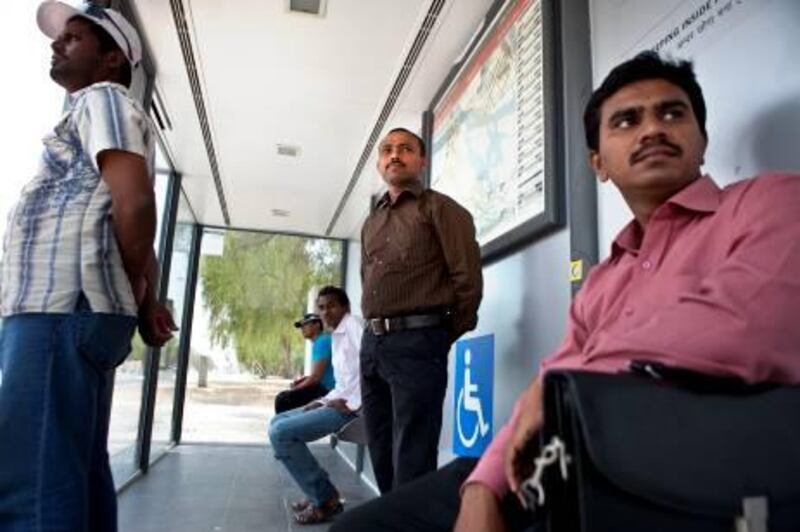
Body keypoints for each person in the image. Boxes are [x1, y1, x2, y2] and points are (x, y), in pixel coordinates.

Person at [331, 51, 800, 532]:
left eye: (672, 113)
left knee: (413, 450)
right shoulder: (604, 281)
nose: (652, 129)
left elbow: (744, 326)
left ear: (702, 142)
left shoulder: (770, 203)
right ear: (598, 162)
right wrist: (482, 487)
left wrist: (548, 380)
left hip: (681, 475)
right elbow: (550, 379)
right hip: (546, 450)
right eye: (626, 120)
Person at [0, 3, 177, 531]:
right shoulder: (103, 109)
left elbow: (136, 204)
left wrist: (124, 289)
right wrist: (141, 302)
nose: (58, 44)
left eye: (75, 38)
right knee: (72, 473)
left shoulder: (101, 99)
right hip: (73, 312)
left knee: (31, 483)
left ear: (112, 60)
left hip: (58, 311)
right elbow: (129, 210)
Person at [360, 127, 483, 493]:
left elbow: (467, 280)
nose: (394, 155)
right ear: (380, 162)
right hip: (373, 345)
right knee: (380, 447)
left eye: (405, 149)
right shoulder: (372, 221)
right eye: (387, 150)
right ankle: (393, 519)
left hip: (419, 341)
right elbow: (368, 280)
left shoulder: (440, 209)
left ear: (422, 160)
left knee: (412, 453)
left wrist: (440, 336)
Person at [268, 286, 364, 525]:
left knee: (281, 433)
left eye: (332, 306)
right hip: (338, 401)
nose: (326, 312)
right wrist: (320, 401)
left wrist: (354, 404)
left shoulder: (354, 327)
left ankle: (325, 499)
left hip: (354, 409)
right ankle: (319, 492)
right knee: (277, 422)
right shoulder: (336, 337)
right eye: (321, 308)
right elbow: (343, 383)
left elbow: (374, 368)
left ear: (346, 307)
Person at [274, 313, 335, 413]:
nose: (302, 328)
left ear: (317, 325)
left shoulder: (322, 342)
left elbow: (315, 378)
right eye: (301, 326)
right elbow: (320, 374)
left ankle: (286, 427)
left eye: (306, 324)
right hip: (325, 388)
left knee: (283, 399)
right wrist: (304, 380)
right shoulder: (321, 341)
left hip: (328, 391)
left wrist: (296, 389)